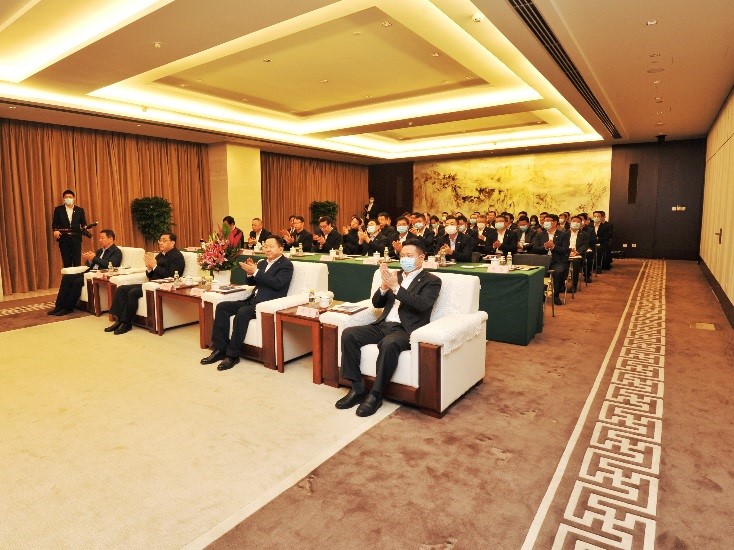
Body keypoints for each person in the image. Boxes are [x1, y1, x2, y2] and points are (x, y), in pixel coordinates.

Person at [335, 240, 441, 417]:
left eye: (409, 256)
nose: (404, 259)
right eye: (402, 255)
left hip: (405, 329)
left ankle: (376, 395)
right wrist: (384, 288)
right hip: (383, 324)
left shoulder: (432, 281)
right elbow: (377, 303)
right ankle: (357, 388)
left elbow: (422, 304)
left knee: (389, 344)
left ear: (421, 258)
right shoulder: (395, 275)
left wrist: (396, 288)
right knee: (349, 334)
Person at [201, 236, 294, 371]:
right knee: (222, 307)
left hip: (266, 304)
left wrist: (255, 271)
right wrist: (250, 274)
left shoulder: (286, 265)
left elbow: (277, 284)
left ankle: (233, 355)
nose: (267, 249)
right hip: (252, 300)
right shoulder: (262, 263)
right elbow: (252, 283)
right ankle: (220, 349)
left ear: (281, 248)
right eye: (265, 246)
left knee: (243, 312)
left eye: (271, 246)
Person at [105, 232, 185, 335]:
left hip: (162, 287)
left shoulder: (177, 256)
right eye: (160, 240)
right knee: (122, 289)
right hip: (151, 284)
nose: (160, 243)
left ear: (172, 243)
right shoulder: (160, 255)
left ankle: (127, 323)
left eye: (164, 240)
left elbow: (172, 276)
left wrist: (155, 266)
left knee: (133, 292)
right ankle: (119, 320)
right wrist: (149, 268)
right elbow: (150, 276)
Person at [48, 229, 122, 316]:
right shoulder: (100, 251)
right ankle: (59, 306)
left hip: (97, 275)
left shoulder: (116, 252)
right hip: (89, 272)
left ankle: (68, 308)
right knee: (67, 277)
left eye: (102, 238)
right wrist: (89, 259)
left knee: (77, 281)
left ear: (110, 239)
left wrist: (94, 258)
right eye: (100, 238)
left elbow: (111, 265)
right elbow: (88, 264)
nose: (100, 240)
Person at [531, 214, 570, 306]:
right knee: (535, 272)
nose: (545, 222)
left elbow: (564, 250)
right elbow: (535, 248)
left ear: (555, 222)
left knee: (559, 271)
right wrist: (545, 247)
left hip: (556, 261)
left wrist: (553, 247)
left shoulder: (563, 235)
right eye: (545, 220)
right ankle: (541, 294)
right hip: (542, 261)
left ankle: (556, 295)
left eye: (548, 220)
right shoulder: (540, 234)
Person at [52, 189, 91, 267]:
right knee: (66, 261)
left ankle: (77, 275)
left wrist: (85, 227)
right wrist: (55, 230)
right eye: (66, 197)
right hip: (64, 238)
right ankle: (68, 275)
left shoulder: (80, 210)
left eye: (70, 197)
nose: (68, 198)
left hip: (76, 238)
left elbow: (83, 223)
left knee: (77, 261)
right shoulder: (58, 210)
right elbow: (55, 223)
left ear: (74, 198)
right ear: (63, 199)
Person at [568, 215, 590, 292]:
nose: (575, 223)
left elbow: (585, 246)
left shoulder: (585, 234)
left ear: (581, 224)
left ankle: (574, 285)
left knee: (575, 262)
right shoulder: (564, 233)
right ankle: (560, 285)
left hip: (577, 255)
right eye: (574, 221)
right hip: (565, 253)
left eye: (578, 222)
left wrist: (577, 252)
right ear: (570, 222)